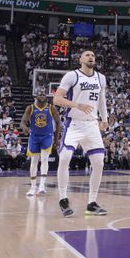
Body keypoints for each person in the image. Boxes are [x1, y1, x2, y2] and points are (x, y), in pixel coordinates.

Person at [53, 50, 109, 217]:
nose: (91, 57)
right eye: (87, 55)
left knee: (99, 163)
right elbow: (56, 99)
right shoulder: (72, 76)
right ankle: (63, 199)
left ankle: (92, 203)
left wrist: (104, 119)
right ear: (80, 59)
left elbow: (102, 100)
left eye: (93, 55)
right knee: (64, 158)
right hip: (74, 124)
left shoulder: (101, 78)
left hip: (92, 124)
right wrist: (77, 105)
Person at [20, 93, 62, 196]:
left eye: (44, 94)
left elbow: (58, 122)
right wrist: (24, 127)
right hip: (34, 136)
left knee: (44, 159)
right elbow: (22, 121)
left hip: (47, 136)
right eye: (40, 94)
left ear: (47, 98)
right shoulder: (30, 108)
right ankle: (33, 187)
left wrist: (56, 139)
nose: (42, 95)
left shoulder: (51, 108)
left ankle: (42, 185)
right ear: (36, 97)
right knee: (34, 161)